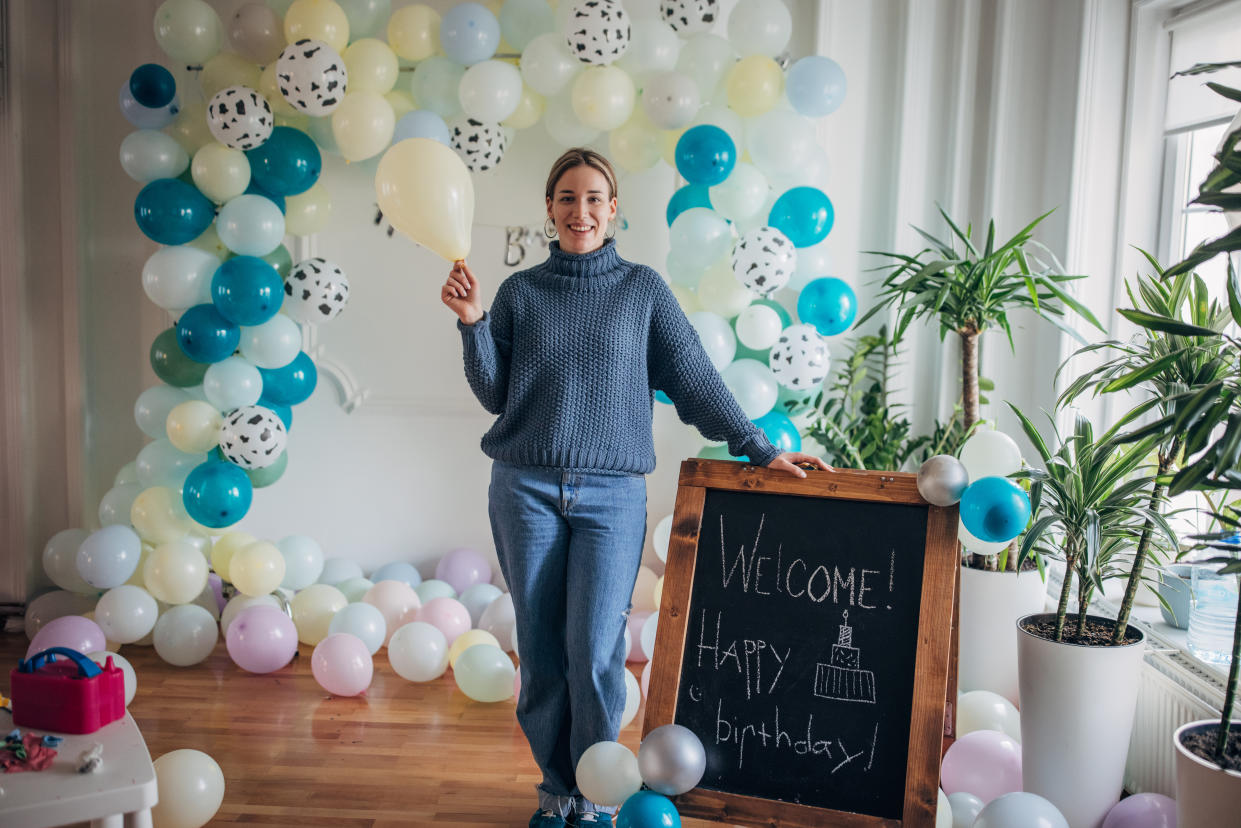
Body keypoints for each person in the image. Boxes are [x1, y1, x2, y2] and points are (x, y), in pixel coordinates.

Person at [442, 148, 829, 828]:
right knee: (539, 652)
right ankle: (556, 790)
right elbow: (494, 393)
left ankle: (593, 794)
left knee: (593, 653)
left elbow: (695, 381)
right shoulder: (519, 293)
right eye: (566, 197)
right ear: (549, 208)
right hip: (524, 488)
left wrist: (758, 449)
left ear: (613, 209)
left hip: (611, 497)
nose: (580, 210)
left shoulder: (642, 290)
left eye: (594, 198)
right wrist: (473, 322)